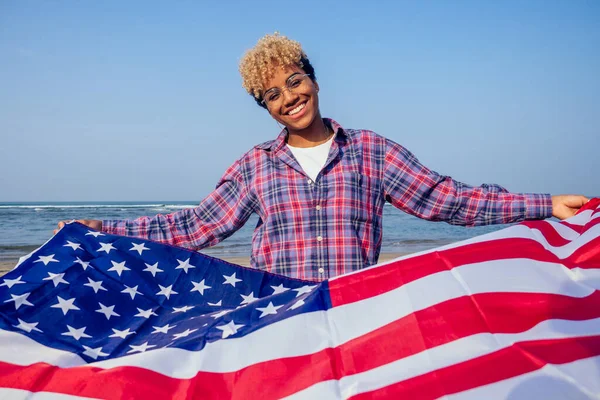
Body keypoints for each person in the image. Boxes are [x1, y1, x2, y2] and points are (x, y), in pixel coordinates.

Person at [56, 33, 589, 281]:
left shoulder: (372, 151)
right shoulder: (254, 166)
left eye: (295, 80)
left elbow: (448, 199)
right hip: (277, 317)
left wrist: (544, 204)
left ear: (312, 77)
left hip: (352, 310)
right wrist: (105, 229)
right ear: (264, 107)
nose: (289, 97)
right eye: (273, 94)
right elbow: (198, 226)